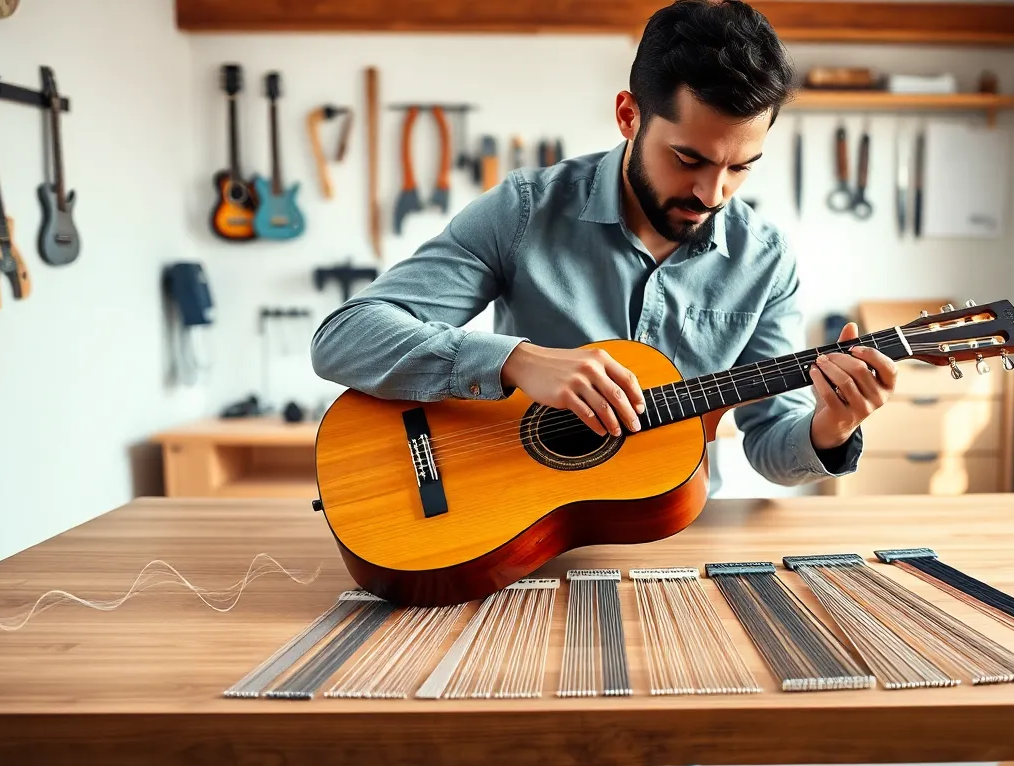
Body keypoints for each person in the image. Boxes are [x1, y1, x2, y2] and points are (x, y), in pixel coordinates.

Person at [310, 0, 898, 493]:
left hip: (672, 539)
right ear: (628, 115)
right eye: (688, 158)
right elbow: (345, 337)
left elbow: (769, 440)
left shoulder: (764, 260)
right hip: (515, 523)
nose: (711, 193)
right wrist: (515, 361)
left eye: (741, 168)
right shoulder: (523, 210)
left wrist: (829, 427)